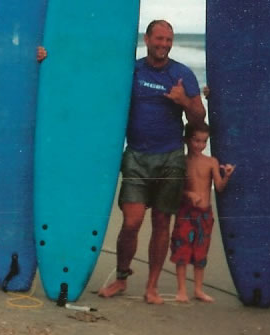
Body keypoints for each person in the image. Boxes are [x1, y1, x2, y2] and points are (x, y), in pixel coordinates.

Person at [99, 20, 205, 304]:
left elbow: (199, 120)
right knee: (132, 222)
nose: (164, 44)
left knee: (161, 222)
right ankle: (121, 278)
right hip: (136, 155)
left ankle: (152, 287)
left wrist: (184, 101)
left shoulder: (182, 74)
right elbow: (99, 86)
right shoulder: (131, 70)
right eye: (159, 39)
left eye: (169, 40)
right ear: (147, 39)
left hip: (170, 157)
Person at [170, 120, 234, 303]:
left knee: (200, 251)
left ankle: (198, 289)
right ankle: (181, 290)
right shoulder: (182, 162)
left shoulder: (211, 162)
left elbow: (219, 187)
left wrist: (227, 176)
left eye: (204, 141)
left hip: (205, 214)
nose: (200, 145)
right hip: (185, 212)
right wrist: (187, 194)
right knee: (182, 249)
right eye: (196, 140)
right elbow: (175, 189)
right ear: (186, 140)